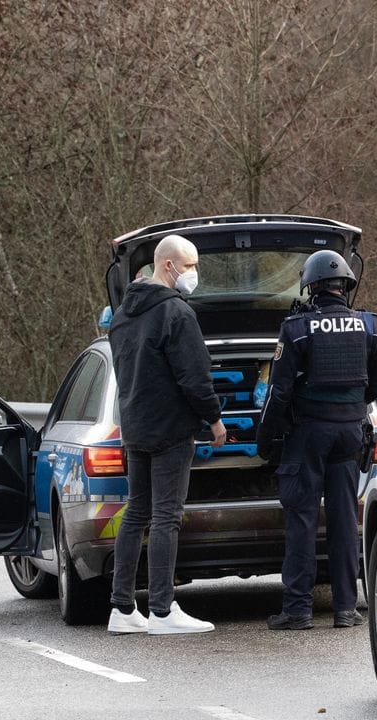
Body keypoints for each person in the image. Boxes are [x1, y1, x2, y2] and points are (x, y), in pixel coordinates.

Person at [257, 249, 377, 630]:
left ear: (311, 287)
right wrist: (347, 410)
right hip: (350, 435)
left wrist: (266, 440)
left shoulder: (296, 329)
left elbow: (278, 394)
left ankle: (298, 610)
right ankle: (346, 608)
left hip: (308, 436)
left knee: (301, 519)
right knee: (345, 519)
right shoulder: (372, 326)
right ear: (346, 285)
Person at [106, 233, 227, 635]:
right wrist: (214, 419)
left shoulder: (124, 313)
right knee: (166, 518)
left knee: (136, 512)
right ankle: (161, 610)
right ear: (168, 265)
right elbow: (194, 376)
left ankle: (122, 609)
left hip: (135, 425)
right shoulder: (176, 313)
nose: (193, 274)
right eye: (189, 266)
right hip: (171, 427)